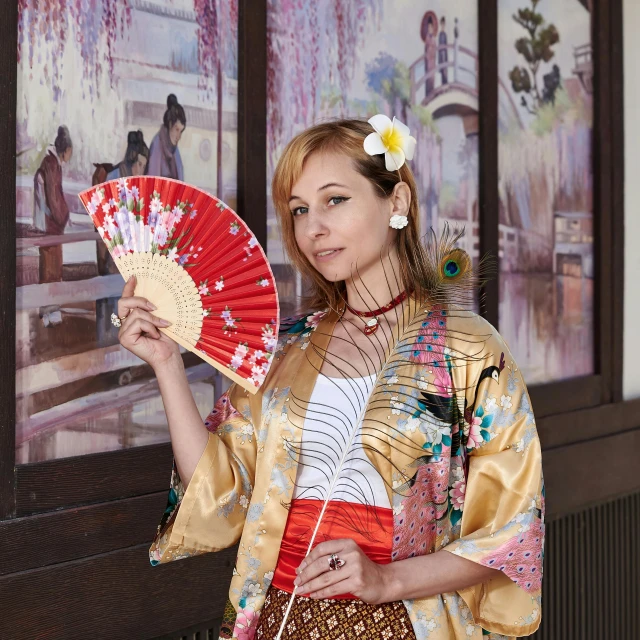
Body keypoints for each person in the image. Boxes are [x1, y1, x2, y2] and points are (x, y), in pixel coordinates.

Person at [116, 117, 544, 639]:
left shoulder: (469, 349)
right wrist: (165, 364)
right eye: (299, 210)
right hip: (282, 618)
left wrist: (385, 580)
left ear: (397, 202)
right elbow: (219, 495)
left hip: (402, 622)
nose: (312, 227)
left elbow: (511, 531)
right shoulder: (286, 348)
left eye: (334, 200)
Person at [33, 125, 73, 281]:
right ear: (67, 150)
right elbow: (53, 198)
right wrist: (63, 217)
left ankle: (51, 303)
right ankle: (49, 303)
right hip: (49, 224)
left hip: (50, 221)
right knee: (51, 265)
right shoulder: (52, 164)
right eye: (71, 151)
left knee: (53, 264)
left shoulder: (53, 163)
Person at [147, 94, 186, 180]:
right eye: (176, 130)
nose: (179, 136)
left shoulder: (174, 151)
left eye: (181, 131)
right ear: (170, 124)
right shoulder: (157, 145)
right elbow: (153, 181)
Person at [438, 16, 449, 85]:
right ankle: (443, 85)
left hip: (445, 54)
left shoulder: (445, 34)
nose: (443, 25)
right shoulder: (440, 34)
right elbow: (439, 47)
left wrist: (447, 58)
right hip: (441, 55)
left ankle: (446, 84)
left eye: (444, 24)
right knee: (442, 71)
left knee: (445, 71)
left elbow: (446, 47)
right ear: (440, 24)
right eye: (442, 24)